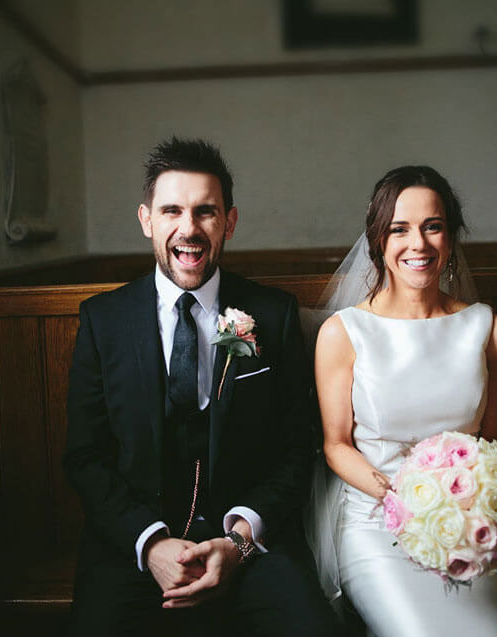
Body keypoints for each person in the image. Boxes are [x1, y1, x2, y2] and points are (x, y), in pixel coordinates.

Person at [64, 137, 341, 637]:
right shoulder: (102, 321)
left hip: (250, 546)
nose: (188, 229)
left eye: (205, 212)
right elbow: (85, 457)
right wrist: (149, 543)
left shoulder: (273, 316)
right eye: (172, 210)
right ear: (147, 219)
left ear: (229, 222)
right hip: (132, 548)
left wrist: (237, 542)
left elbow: (298, 449)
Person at [312, 166, 497, 636]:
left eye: (433, 226)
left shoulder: (492, 332)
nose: (419, 244)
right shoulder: (343, 333)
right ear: (378, 240)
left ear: (450, 236)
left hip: (466, 524)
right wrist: (402, 500)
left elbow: (492, 444)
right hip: (374, 523)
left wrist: (473, 507)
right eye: (399, 229)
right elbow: (336, 444)